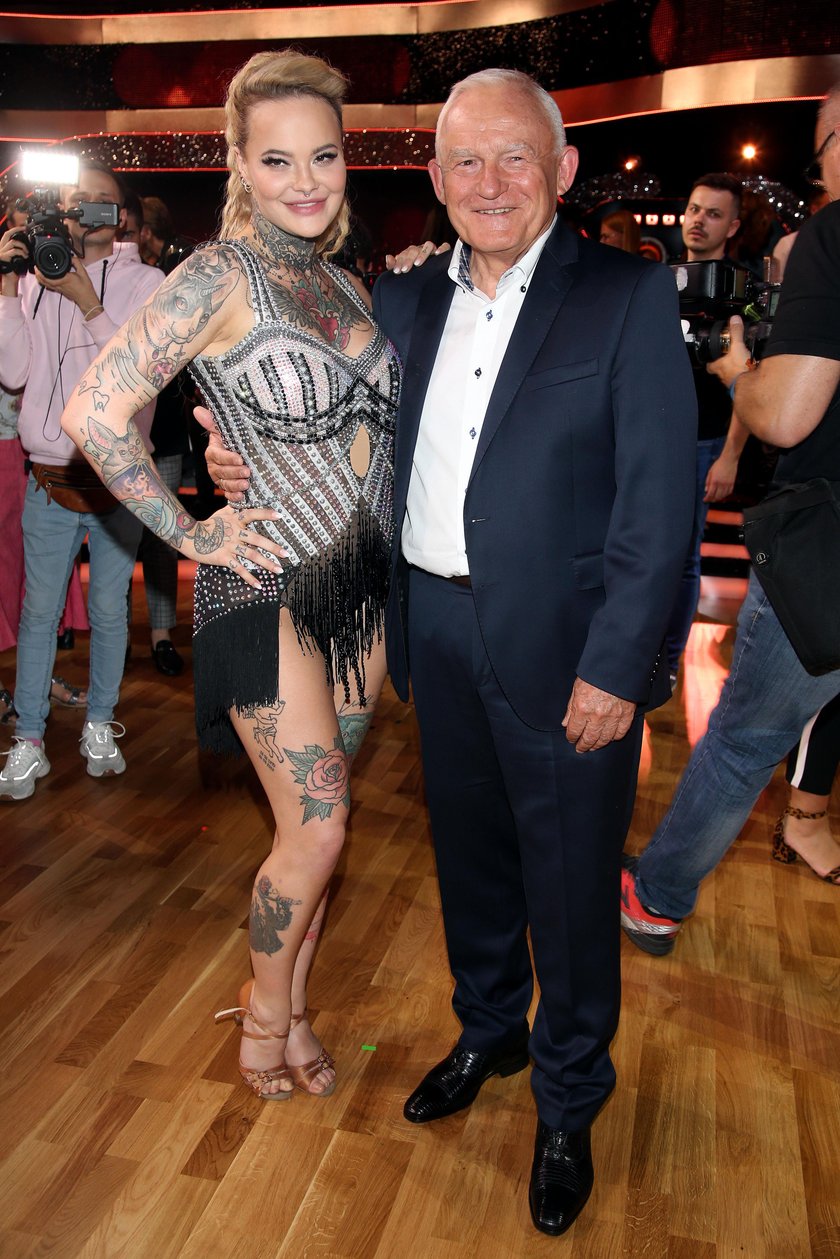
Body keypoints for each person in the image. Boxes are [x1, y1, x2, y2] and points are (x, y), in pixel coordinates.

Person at [206, 66, 696, 1235]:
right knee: (471, 864)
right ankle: (489, 1033)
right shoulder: (403, 299)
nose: (489, 181)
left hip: (570, 649)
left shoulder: (625, 293)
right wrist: (230, 455)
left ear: (562, 168)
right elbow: (322, 419)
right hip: (430, 625)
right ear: (433, 176)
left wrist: (619, 666)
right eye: (464, 159)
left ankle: (570, 1095)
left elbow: (659, 504)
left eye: (515, 155)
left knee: (569, 888)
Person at [60, 51, 398, 1102]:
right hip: (261, 582)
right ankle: (261, 1017)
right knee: (323, 820)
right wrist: (190, 532)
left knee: (316, 834)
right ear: (240, 164)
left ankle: (291, 1004)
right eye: (279, 159)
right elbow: (92, 412)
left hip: (359, 590)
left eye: (325, 156)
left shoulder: (342, 281)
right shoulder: (217, 274)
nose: (306, 180)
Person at [620, 83, 840, 955]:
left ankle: (655, 895)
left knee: (746, 739)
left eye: (821, 149)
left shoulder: (830, 236)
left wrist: (737, 370)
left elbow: (784, 413)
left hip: (825, 549)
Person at [0, 160, 164, 800]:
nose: (88, 210)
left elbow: (136, 375)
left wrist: (85, 300)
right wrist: (8, 286)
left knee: (107, 609)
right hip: (49, 474)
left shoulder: (147, 281)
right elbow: (14, 372)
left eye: (102, 202)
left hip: (119, 476)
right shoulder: (34, 280)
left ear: (119, 216)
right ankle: (29, 740)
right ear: (61, 212)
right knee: (38, 612)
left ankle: (99, 724)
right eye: (77, 201)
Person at [665, 172, 751, 684]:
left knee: (682, 558)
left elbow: (752, 384)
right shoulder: (661, 279)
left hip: (703, 443)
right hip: (651, 439)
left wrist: (730, 456)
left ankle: (669, 664)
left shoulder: (740, 292)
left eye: (713, 214)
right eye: (695, 209)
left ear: (732, 226)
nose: (699, 220)